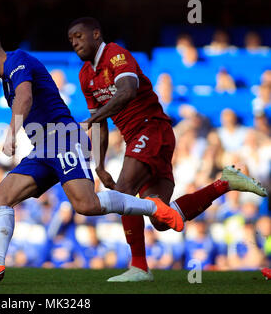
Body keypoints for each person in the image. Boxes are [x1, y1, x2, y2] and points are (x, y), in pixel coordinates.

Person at [0, 27, 186, 284]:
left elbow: (25, 97)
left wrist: (11, 133)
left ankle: (154, 207)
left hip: (63, 139)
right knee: (0, 198)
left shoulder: (17, 60)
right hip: (43, 148)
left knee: (85, 205)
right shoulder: (8, 76)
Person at [67, 17, 268, 282]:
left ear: (96, 34)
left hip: (151, 129)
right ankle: (224, 184)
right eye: (71, 40)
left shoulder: (116, 55)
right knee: (161, 219)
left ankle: (139, 267)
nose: (75, 43)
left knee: (124, 191)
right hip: (140, 138)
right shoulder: (85, 75)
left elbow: (127, 90)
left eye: (79, 36)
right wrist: (100, 165)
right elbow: (100, 124)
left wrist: (91, 119)